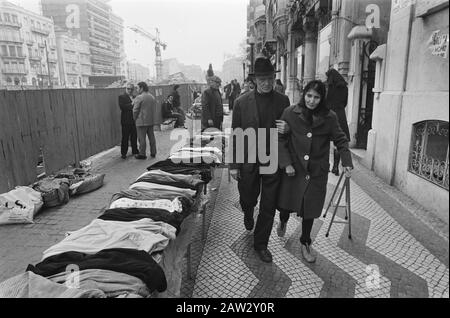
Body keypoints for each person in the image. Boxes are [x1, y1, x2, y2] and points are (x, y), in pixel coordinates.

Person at [277, 80, 353, 263]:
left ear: (322, 98)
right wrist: (286, 163)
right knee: (287, 204)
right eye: (309, 95)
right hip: (294, 168)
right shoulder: (290, 112)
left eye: (316, 97)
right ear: (304, 94)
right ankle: (283, 219)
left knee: (309, 209)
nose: (311, 101)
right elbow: (278, 139)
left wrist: (347, 162)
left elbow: (341, 140)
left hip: (316, 170)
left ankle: (305, 242)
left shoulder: (330, 117)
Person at [229, 56, 290, 263]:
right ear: (254, 80)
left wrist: (288, 129)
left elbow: (289, 129)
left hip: (272, 158)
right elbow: (235, 133)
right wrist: (234, 165)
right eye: (262, 79)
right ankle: (247, 211)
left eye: (270, 78)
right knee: (248, 196)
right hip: (248, 158)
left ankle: (261, 244)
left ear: (274, 78)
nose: (266, 83)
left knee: (268, 203)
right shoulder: (241, 102)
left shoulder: (283, 101)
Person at [325, 68, 350, 176]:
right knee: (338, 143)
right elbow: (345, 102)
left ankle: (326, 165)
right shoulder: (344, 86)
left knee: (324, 141)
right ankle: (336, 167)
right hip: (340, 115)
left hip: (329, 114)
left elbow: (325, 101)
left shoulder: (329, 87)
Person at [133, 82, 159, 159]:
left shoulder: (139, 97)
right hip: (150, 120)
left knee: (142, 139)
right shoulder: (152, 97)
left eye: (137, 88)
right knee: (151, 137)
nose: (137, 90)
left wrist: (134, 118)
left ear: (142, 88)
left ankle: (142, 154)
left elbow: (135, 110)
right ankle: (153, 152)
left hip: (141, 121)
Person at [118, 83, 139, 159]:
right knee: (125, 137)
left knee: (134, 136)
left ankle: (135, 150)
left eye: (131, 89)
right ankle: (123, 153)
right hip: (125, 121)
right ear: (125, 89)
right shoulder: (121, 97)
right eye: (128, 88)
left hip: (133, 120)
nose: (129, 90)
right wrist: (132, 103)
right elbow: (123, 107)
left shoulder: (135, 97)